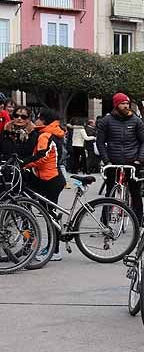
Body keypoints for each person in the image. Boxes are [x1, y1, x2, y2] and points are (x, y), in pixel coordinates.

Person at [23, 108, 66, 260]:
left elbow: (42, 156)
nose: (36, 120)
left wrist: (23, 164)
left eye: (38, 118)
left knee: (50, 216)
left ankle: (55, 250)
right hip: (50, 179)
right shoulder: (51, 132)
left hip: (50, 180)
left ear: (44, 120)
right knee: (50, 213)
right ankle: (52, 248)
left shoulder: (45, 135)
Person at [96, 92, 144, 220]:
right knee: (109, 193)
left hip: (132, 161)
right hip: (113, 161)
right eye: (122, 103)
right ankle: (105, 220)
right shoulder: (106, 121)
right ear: (116, 105)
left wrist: (139, 159)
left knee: (136, 193)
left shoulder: (136, 120)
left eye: (127, 103)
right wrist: (106, 160)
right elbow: (100, 142)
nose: (125, 106)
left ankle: (138, 221)